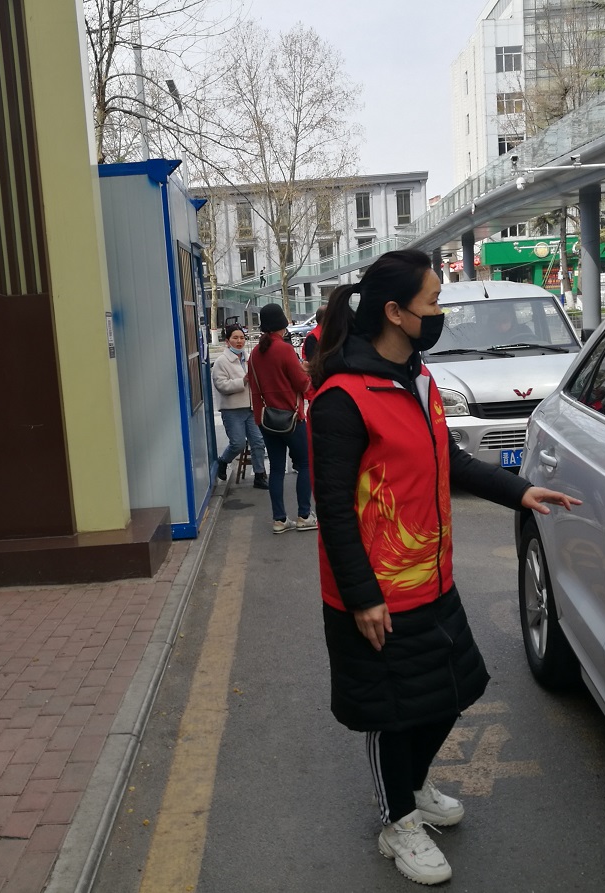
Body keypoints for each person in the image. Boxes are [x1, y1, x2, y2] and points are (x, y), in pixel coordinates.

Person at [309, 249, 580, 886]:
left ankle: (414, 787)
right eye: (432, 302)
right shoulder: (342, 398)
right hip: (375, 593)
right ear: (395, 312)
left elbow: (448, 461)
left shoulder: (421, 380)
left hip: (432, 579)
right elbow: (334, 510)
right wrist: (362, 596)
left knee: (452, 692)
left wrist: (519, 490)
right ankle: (397, 822)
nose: (440, 313)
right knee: (393, 713)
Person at [248, 303, 316, 534]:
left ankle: (279, 520)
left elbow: (254, 385)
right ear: (282, 325)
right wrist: (306, 372)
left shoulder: (255, 354)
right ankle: (304, 515)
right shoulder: (285, 350)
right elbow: (301, 383)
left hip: (266, 419)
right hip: (291, 418)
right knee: (305, 463)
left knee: (276, 469)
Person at [211, 323, 269, 489]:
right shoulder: (221, 362)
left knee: (258, 442)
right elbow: (221, 385)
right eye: (235, 338)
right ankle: (223, 461)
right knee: (238, 443)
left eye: (242, 338)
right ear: (227, 341)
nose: (239, 341)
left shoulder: (250, 358)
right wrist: (242, 381)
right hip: (232, 410)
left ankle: (259, 475)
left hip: (251, 408)